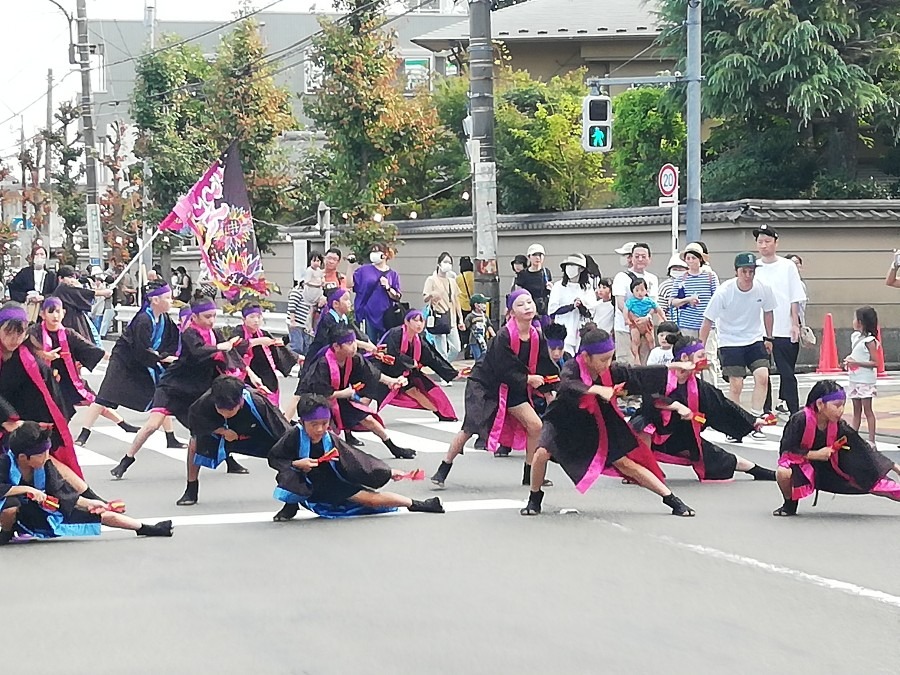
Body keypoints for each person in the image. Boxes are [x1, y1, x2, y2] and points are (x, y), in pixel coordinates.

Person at [520, 327, 695, 517]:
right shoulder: (573, 366)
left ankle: (672, 500)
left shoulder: (610, 370)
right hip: (562, 422)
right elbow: (567, 384)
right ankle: (534, 498)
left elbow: (637, 373)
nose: (607, 363)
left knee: (625, 463)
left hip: (594, 424)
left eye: (610, 358)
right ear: (586, 356)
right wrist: (594, 389)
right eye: (603, 359)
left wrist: (671, 367)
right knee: (541, 454)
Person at [109, 297, 249, 480]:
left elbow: (230, 353)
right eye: (207, 316)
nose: (211, 320)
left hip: (198, 388)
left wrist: (238, 347)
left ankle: (229, 461)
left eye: (214, 316)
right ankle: (125, 461)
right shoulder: (189, 333)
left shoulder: (215, 334)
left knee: (213, 424)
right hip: (174, 385)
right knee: (152, 425)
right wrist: (219, 348)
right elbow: (199, 353)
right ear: (195, 316)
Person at [430, 290, 559, 489]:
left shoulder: (536, 334)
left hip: (514, 387)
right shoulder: (504, 335)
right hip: (486, 386)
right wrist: (528, 379)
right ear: (511, 312)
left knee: (535, 426)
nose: (527, 307)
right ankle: (444, 467)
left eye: (529, 302)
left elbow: (544, 365)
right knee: (469, 429)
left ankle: (530, 474)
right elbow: (502, 369)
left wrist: (551, 391)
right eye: (521, 304)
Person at [268, 394, 444, 521]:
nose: (320, 429)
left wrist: (388, 472)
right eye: (314, 425)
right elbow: (275, 458)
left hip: (330, 482)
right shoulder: (293, 436)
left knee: (372, 500)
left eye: (324, 423)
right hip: (302, 481)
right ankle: (290, 505)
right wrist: (296, 464)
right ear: (302, 421)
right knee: (290, 475)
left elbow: (358, 460)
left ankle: (421, 504)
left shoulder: (330, 439)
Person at [630, 333, 777, 482]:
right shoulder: (662, 375)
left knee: (717, 457)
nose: (704, 360)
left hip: (679, 436)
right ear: (685, 358)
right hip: (652, 432)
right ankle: (641, 470)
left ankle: (757, 471)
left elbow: (723, 406)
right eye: (700, 355)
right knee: (643, 425)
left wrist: (753, 421)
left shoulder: (699, 387)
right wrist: (677, 406)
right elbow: (651, 398)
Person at [0, 422, 173, 544]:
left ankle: (146, 528)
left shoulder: (45, 466)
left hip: (36, 512)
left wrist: (90, 502)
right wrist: (25, 489)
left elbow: (63, 494)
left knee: (100, 514)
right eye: (41, 454)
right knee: (9, 506)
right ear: (23, 457)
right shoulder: (4, 463)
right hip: (8, 508)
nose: (47, 457)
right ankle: (5, 534)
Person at [75, 280, 183, 449]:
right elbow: (140, 349)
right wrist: (161, 358)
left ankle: (171, 437)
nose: (171, 301)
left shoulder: (164, 319)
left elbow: (172, 342)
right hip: (124, 361)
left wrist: (165, 356)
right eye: (167, 297)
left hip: (144, 361)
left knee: (162, 395)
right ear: (155, 300)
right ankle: (84, 433)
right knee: (104, 397)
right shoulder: (143, 320)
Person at [773, 380, 900, 516]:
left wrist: (895, 467)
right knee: (783, 472)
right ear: (820, 404)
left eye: (843, 406)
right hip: (803, 466)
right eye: (837, 406)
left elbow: (863, 448)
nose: (841, 410)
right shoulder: (799, 420)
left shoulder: (839, 425)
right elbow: (787, 452)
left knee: (875, 483)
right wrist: (815, 454)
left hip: (832, 468)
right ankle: (789, 504)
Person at [296, 324, 416, 460]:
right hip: (317, 403)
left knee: (368, 419)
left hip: (340, 397)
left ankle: (393, 447)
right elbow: (321, 393)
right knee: (322, 431)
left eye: (354, 342)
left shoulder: (354, 358)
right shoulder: (323, 363)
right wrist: (346, 393)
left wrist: (392, 381)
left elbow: (371, 374)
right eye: (348, 343)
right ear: (336, 347)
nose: (353, 346)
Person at [29, 298, 139, 436]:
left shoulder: (68, 333)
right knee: (56, 412)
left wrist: (115, 357)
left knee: (94, 401)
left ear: (64, 313)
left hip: (68, 378)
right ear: (42, 314)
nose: (55, 316)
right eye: (51, 312)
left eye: (58, 311)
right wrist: (43, 354)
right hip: (46, 380)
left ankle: (123, 424)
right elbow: (26, 348)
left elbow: (89, 348)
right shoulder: (35, 332)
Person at [179, 375, 292, 506]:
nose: (225, 414)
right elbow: (196, 425)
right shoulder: (203, 403)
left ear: (240, 400)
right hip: (222, 436)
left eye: (231, 410)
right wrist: (222, 431)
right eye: (221, 410)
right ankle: (191, 488)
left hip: (255, 436)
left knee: (288, 452)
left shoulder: (257, 403)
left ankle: (291, 495)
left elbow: (282, 430)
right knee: (195, 443)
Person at [0, 302, 82, 479]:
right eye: (8, 332)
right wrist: (8, 418)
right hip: (14, 420)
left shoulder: (23, 358)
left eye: (19, 332)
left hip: (33, 419)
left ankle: (86, 498)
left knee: (47, 461)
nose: (14, 339)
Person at [700, 252, 776, 420]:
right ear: (736, 272)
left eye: (751, 271)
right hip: (730, 341)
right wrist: (700, 347)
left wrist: (769, 338)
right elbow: (707, 320)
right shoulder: (724, 292)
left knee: (763, 376)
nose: (748, 275)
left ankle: (756, 418)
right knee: (736, 384)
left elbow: (768, 312)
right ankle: (734, 421)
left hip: (754, 339)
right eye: (744, 271)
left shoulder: (763, 288)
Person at [286, 288, 377, 427]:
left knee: (340, 396)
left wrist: (369, 343)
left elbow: (355, 333)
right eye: (346, 300)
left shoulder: (344, 318)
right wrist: (365, 345)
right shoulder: (329, 319)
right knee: (300, 393)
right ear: (335, 304)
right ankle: (285, 422)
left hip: (332, 360)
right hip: (316, 360)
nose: (349, 303)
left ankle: (345, 431)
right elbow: (342, 339)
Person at [753, 224, 806, 415]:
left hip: (784, 327)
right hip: (759, 329)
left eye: (767, 241)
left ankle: (794, 411)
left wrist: (795, 324)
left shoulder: (787, 266)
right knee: (762, 372)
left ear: (776, 242)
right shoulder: (754, 267)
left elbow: (795, 297)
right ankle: (765, 410)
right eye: (760, 242)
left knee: (787, 373)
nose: (764, 245)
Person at [370, 309, 459, 420]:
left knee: (432, 390)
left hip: (408, 372)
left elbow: (433, 358)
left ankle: (441, 413)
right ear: (406, 322)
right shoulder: (396, 333)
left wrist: (453, 373)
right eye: (415, 320)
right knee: (368, 393)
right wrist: (412, 363)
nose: (419, 324)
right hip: (388, 370)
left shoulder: (419, 340)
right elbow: (393, 354)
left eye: (421, 321)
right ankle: (361, 417)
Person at [237, 304, 298, 407]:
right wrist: (257, 341)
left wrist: (297, 357)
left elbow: (278, 349)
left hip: (267, 374)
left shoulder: (264, 333)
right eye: (252, 317)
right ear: (243, 319)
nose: (256, 320)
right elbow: (236, 348)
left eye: (259, 316)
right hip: (248, 376)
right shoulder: (238, 332)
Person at [612, 243, 659, 364]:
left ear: (649, 258)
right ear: (631, 258)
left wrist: (646, 318)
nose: (640, 259)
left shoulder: (653, 278)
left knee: (645, 362)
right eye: (637, 256)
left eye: (644, 256)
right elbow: (620, 303)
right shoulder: (621, 277)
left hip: (645, 327)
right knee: (626, 362)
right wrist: (635, 319)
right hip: (625, 328)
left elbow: (653, 304)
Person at [548, 253, 597, 357]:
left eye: (573, 266)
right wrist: (571, 306)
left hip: (579, 329)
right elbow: (552, 310)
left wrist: (581, 306)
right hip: (563, 328)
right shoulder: (558, 286)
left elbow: (590, 312)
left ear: (581, 269)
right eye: (568, 266)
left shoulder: (587, 288)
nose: (570, 269)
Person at [52, 265, 113, 347]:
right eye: (69, 277)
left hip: (76, 320)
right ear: (60, 278)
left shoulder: (67, 288)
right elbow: (83, 293)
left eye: (74, 277)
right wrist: (104, 292)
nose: (72, 280)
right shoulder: (62, 288)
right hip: (67, 322)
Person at [352, 244, 402, 343]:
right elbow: (351, 284)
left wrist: (388, 287)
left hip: (386, 315)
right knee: (370, 343)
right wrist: (350, 265)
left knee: (386, 343)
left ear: (385, 254)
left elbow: (397, 296)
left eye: (377, 251)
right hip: (368, 313)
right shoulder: (363, 270)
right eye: (372, 251)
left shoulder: (393, 274)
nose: (374, 254)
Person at [845, 306, 879, 445]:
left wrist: (856, 362)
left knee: (867, 410)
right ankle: (853, 438)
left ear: (861, 322)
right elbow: (856, 354)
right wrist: (849, 360)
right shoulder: (855, 337)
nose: (853, 321)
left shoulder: (870, 341)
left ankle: (871, 440)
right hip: (854, 378)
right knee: (856, 410)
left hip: (865, 380)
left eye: (855, 319)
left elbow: (875, 362)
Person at [423, 252, 466, 363]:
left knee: (456, 348)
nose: (447, 264)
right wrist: (432, 294)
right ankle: (444, 377)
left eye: (450, 262)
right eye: (445, 262)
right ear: (439, 264)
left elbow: (456, 302)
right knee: (441, 349)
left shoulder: (452, 281)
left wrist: (460, 319)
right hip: (438, 317)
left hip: (451, 319)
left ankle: (445, 366)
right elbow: (425, 298)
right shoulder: (431, 280)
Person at [671, 243, 717, 338]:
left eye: (694, 258)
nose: (691, 261)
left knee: (708, 352)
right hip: (687, 325)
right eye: (688, 258)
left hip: (708, 325)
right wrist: (687, 300)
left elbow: (717, 298)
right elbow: (672, 301)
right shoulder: (680, 278)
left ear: (700, 259)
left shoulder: (710, 276)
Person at [7, 244, 57, 322]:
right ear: (32, 257)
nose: (39, 257)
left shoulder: (51, 275)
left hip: (44, 309)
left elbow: (56, 292)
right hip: (27, 307)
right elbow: (14, 288)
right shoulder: (24, 272)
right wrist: (26, 296)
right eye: (37, 254)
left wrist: (43, 297)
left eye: (42, 254)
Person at [625, 278, 666, 364]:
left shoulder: (649, 301)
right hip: (635, 324)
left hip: (647, 323)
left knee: (651, 340)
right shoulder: (631, 301)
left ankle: (653, 355)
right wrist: (626, 319)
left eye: (642, 290)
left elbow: (658, 308)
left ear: (646, 291)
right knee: (635, 340)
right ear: (632, 291)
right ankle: (636, 358)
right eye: (637, 290)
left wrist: (663, 317)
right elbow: (625, 310)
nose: (639, 292)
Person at [515, 244, 553, 320]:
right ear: (529, 257)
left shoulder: (546, 272)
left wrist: (552, 289)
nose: (537, 258)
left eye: (540, 255)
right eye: (534, 255)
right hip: (529, 310)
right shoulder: (523, 274)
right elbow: (518, 294)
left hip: (544, 310)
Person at [658, 254, 688, 322]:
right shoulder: (664, 286)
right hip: (671, 327)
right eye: (675, 268)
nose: (678, 270)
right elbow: (661, 311)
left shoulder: (692, 284)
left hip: (690, 325)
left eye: (681, 268)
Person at [465, 293, 494, 362]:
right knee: (478, 358)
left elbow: (489, 326)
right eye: (483, 303)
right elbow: (466, 327)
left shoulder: (485, 316)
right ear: (476, 305)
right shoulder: (470, 316)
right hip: (474, 341)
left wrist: (494, 336)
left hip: (484, 340)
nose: (484, 305)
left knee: (485, 356)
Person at [286, 279, 307, 354]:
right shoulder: (297, 291)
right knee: (296, 346)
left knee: (304, 347)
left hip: (304, 324)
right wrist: (292, 321)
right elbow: (292, 307)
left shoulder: (308, 294)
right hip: (296, 323)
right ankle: (293, 361)